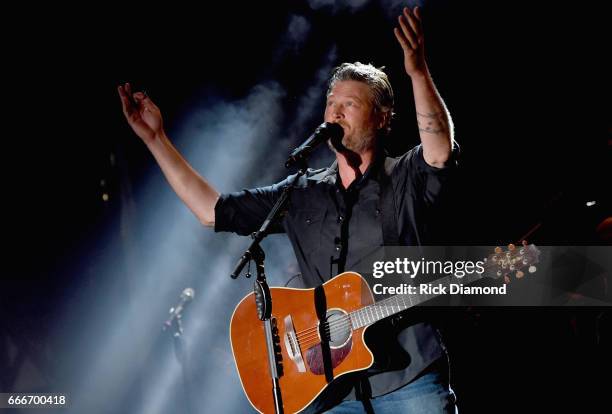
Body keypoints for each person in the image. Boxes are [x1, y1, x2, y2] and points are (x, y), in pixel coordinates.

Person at [119, 6, 458, 413]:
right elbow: (213, 211)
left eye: (349, 105)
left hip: (409, 380)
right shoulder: (302, 192)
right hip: (328, 391)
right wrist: (157, 139)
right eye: (331, 104)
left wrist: (418, 72)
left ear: (383, 118)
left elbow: (439, 151)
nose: (335, 112)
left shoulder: (404, 177)